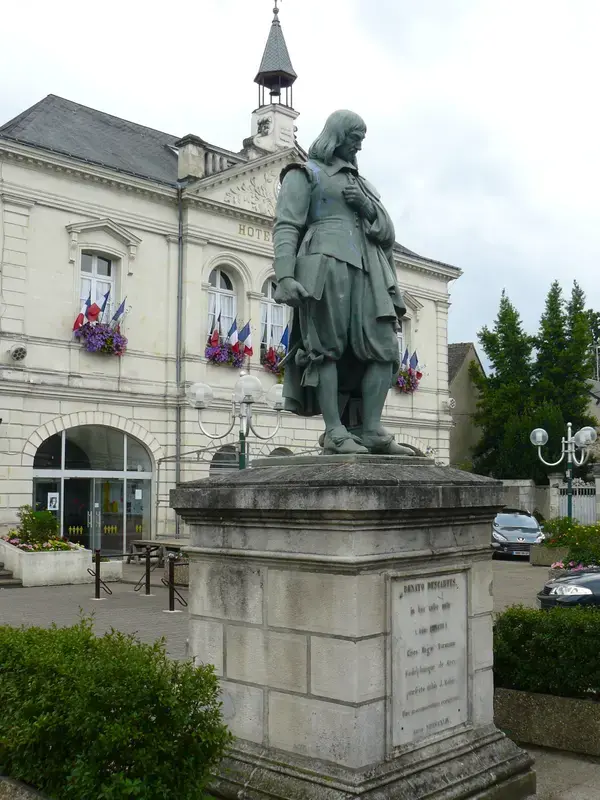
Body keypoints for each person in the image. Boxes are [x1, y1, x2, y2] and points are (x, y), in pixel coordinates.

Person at [273, 109, 413, 455]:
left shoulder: (363, 184)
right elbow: (287, 225)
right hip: (324, 264)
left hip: (369, 269)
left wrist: (366, 206)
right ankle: (335, 430)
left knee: (384, 348)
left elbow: (388, 233)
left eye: (362, 141)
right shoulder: (306, 172)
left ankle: (370, 428)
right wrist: (285, 275)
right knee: (325, 350)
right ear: (338, 136)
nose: (358, 148)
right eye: (355, 140)